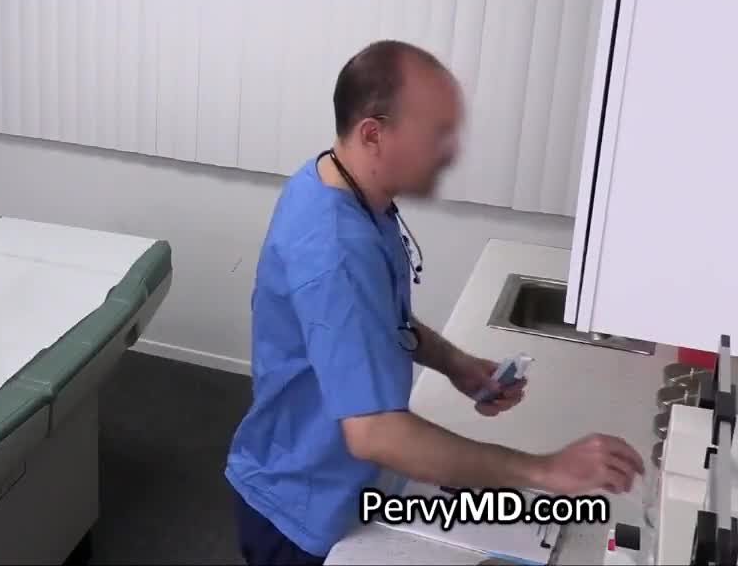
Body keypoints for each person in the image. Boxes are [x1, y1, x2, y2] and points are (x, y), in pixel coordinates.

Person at [224, 40, 645, 565]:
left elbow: (377, 319)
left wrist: (456, 364)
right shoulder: (334, 246)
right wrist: (544, 470)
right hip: (300, 508)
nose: (451, 152)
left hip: (330, 472)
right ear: (373, 134)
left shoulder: (337, 184)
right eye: (437, 134)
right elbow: (375, 433)